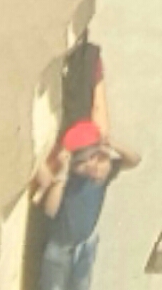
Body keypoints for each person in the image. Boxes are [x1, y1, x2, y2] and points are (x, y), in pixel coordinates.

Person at [33, 121, 138, 290]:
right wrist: (62, 175)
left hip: (86, 243)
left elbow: (134, 160)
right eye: (83, 161)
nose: (91, 165)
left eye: (94, 157)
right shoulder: (68, 180)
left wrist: (111, 143)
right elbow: (50, 210)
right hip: (60, 248)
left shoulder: (100, 175)